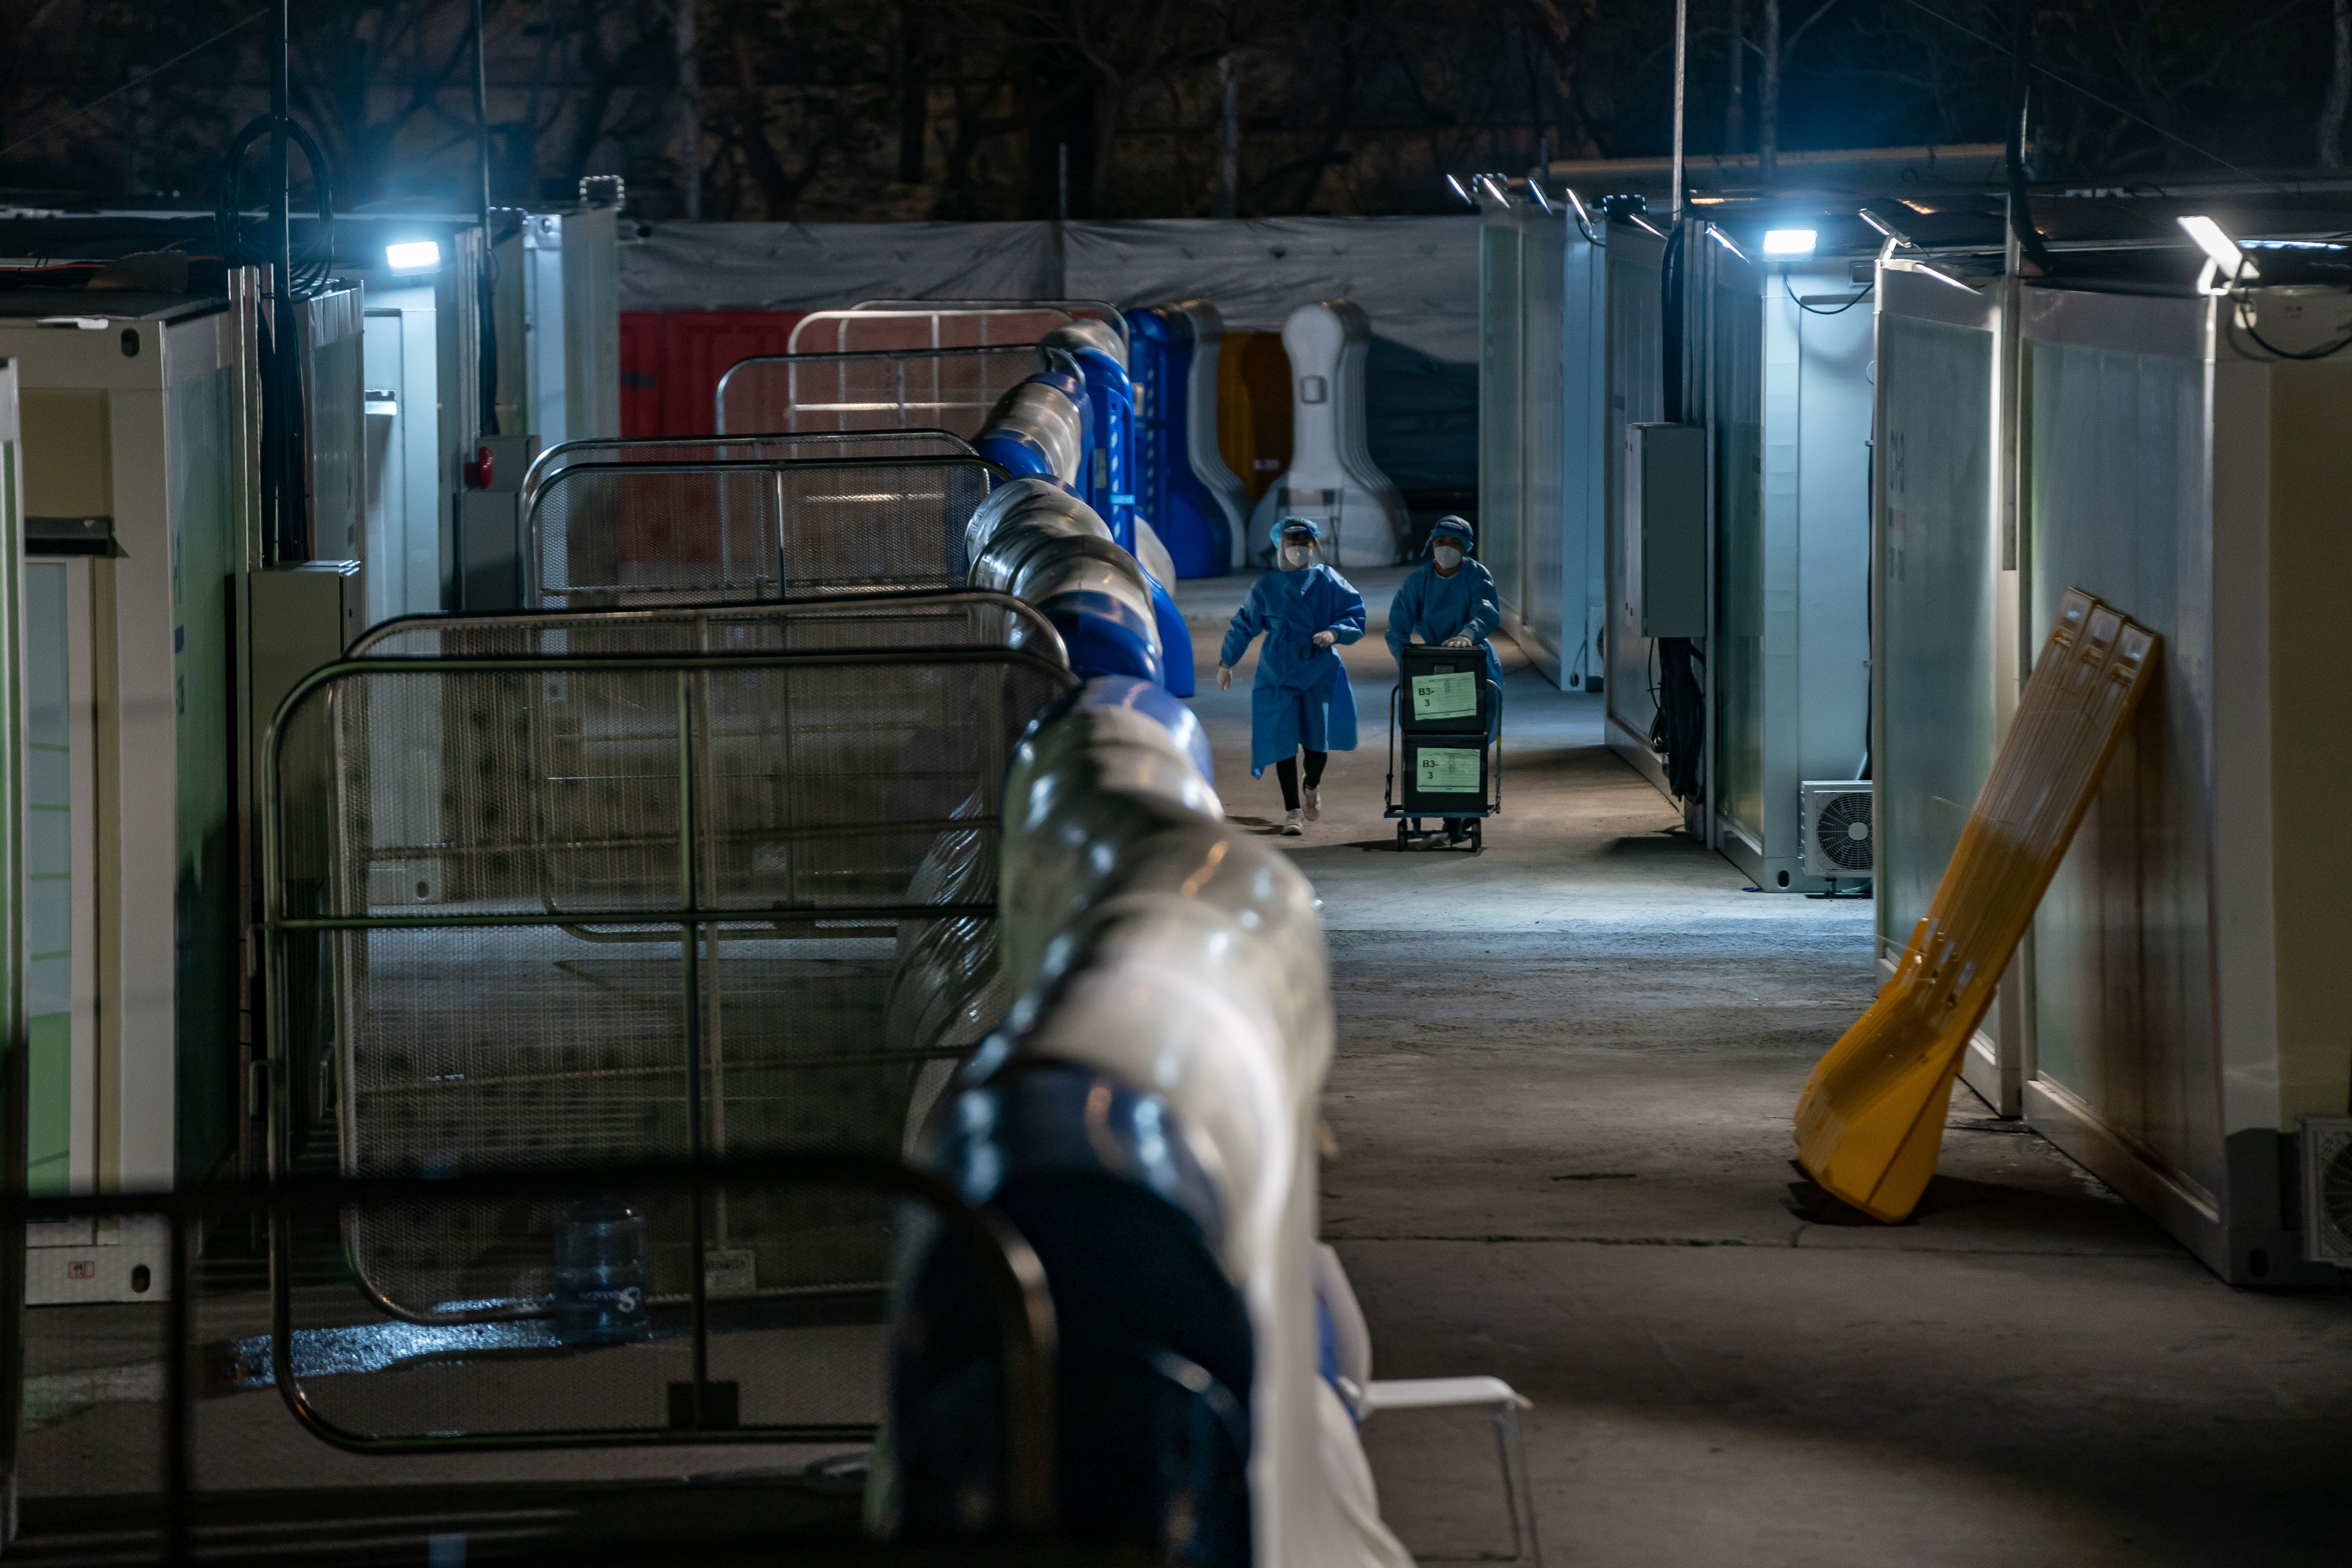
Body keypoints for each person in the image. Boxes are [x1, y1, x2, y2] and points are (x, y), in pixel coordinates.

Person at [1217, 518, 1366, 835]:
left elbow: (1355, 613)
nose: (1298, 547)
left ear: (1315, 545)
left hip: (1318, 667)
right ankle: (1292, 811)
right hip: (1278, 670)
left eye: (1304, 541)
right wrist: (1226, 661)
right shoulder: (1267, 586)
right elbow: (1244, 624)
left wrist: (1334, 631)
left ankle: (1310, 783)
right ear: (1280, 547)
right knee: (1282, 742)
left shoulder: (1330, 581)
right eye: (1291, 541)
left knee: (1317, 746)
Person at [1386, 514, 1501, 843]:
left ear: (1465, 547)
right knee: (1430, 739)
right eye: (1440, 542)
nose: (1446, 548)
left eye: (1454, 543)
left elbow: (1487, 610)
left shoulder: (1476, 576)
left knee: (1466, 739)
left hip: (1473, 665)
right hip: (1432, 667)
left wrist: (1468, 633)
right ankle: (1431, 806)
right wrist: (1409, 663)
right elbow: (1397, 628)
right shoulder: (1419, 581)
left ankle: (1459, 812)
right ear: (1431, 543)